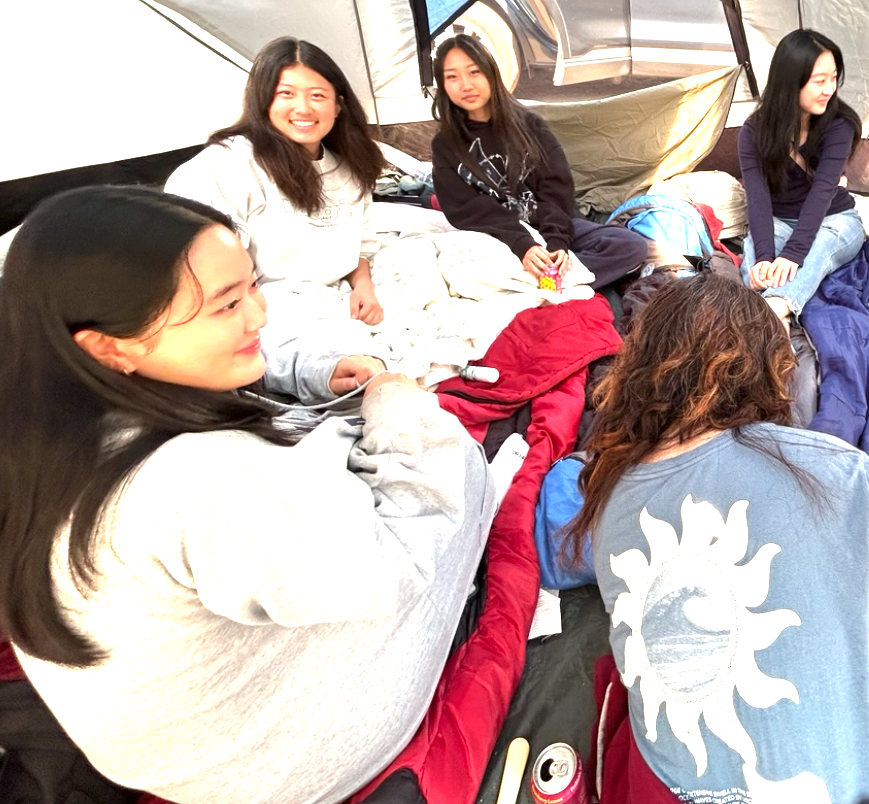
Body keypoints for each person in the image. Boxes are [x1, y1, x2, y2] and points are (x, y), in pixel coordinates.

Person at [0, 186, 496, 804]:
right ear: (109, 345)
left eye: (253, 286)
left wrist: (311, 369)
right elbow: (398, 561)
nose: (259, 315)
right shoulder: (195, 478)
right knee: (458, 469)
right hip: (275, 765)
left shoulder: (42, 420)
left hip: (175, 752)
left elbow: (230, 361)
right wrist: (398, 405)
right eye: (228, 304)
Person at [564, 273, 869, 802]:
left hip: (663, 789)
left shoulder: (608, 498)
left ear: (638, 370)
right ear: (774, 370)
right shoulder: (844, 475)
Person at [166, 36, 389, 327]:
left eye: (317, 96)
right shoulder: (228, 164)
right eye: (286, 94)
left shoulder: (349, 168)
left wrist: (364, 287)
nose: (303, 108)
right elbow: (200, 261)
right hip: (261, 308)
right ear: (264, 101)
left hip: (337, 297)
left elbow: (361, 245)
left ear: (338, 106)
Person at [430, 33, 648, 289]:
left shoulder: (529, 125)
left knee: (630, 246)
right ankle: (550, 284)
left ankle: (542, 283)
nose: (465, 85)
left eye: (474, 72)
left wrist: (557, 243)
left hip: (547, 225)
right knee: (453, 269)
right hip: (497, 238)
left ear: (490, 73)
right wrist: (523, 244)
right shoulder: (445, 145)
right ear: (443, 85)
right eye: (452, 77)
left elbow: (555, 188)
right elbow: (468, 210)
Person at [738, 28, 866, 322]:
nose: (829, 89)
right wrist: (765, 257)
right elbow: (757, 198)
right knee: (755, 256)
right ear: (790, 81)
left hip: (834, 219)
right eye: (819, 81)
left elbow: (822, 192)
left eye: (834, 78)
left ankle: (774, 311)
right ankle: (774, 318)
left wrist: (792, 254)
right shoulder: (754, 131)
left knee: (820, 247)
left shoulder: (840, 125)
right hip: (780, 220)